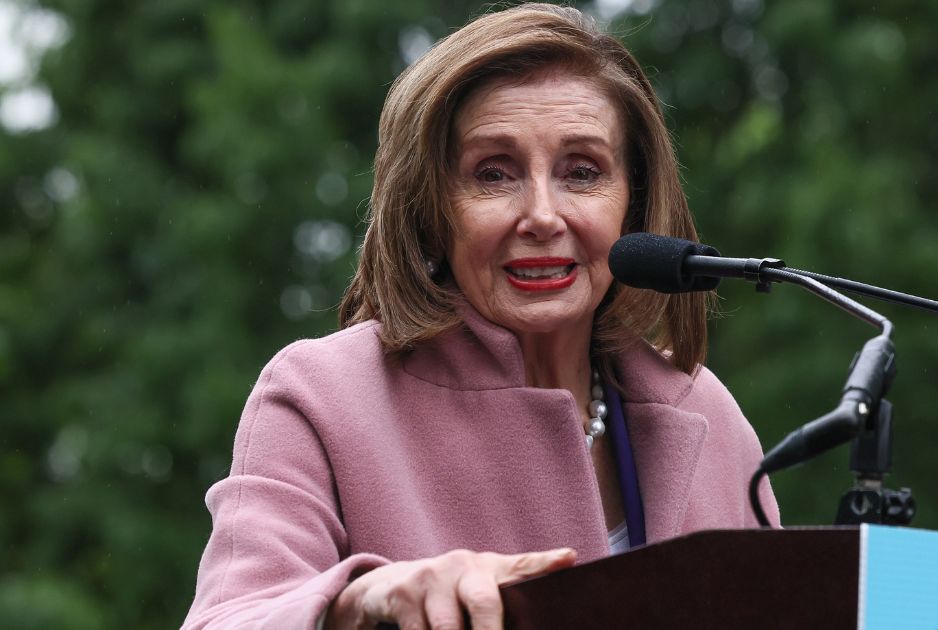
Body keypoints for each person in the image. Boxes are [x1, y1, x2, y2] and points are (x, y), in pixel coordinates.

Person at [183, 4, 779, 629]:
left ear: (632, 204)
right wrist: (359, 603)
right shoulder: (320, 398)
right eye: (493, 174)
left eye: (582, 172)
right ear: (431, 209)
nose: (543, 216)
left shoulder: (704, 412)